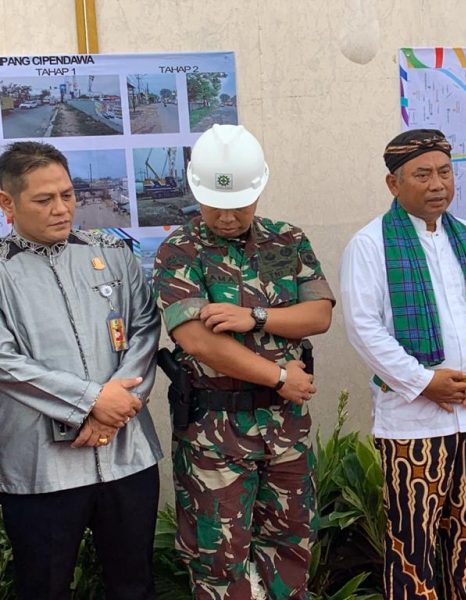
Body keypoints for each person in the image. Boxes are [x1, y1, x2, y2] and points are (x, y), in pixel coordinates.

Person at [152, 124, 335, 598]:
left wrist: (254, 317)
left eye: (238, 205)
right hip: (216, 434)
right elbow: (198, 341)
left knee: (291, 547)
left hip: (285, 431)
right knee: (219, 560)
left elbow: (317, 315)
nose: (227, 216)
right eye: (215, 204)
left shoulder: (286, 240)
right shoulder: (179, 250)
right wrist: (278, 375)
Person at [340, 129, 466, 598]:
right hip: (414, 425)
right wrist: (423, 383)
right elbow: (364, 328)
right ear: (393, 184)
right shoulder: (370, 244)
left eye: (445, 171)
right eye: (422, 174)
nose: (437, 183)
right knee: (411, 544)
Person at [0, 141, 162, 598]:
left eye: (67, 195)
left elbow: (146, 327)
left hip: (127, 456)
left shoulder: (111, 253)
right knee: (44, 587)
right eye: (44, 199)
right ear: (7, 203)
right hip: (40, 468)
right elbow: (5, 361)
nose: (61, 209)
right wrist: (91, 401)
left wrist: (116, 406)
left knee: (134, 585)